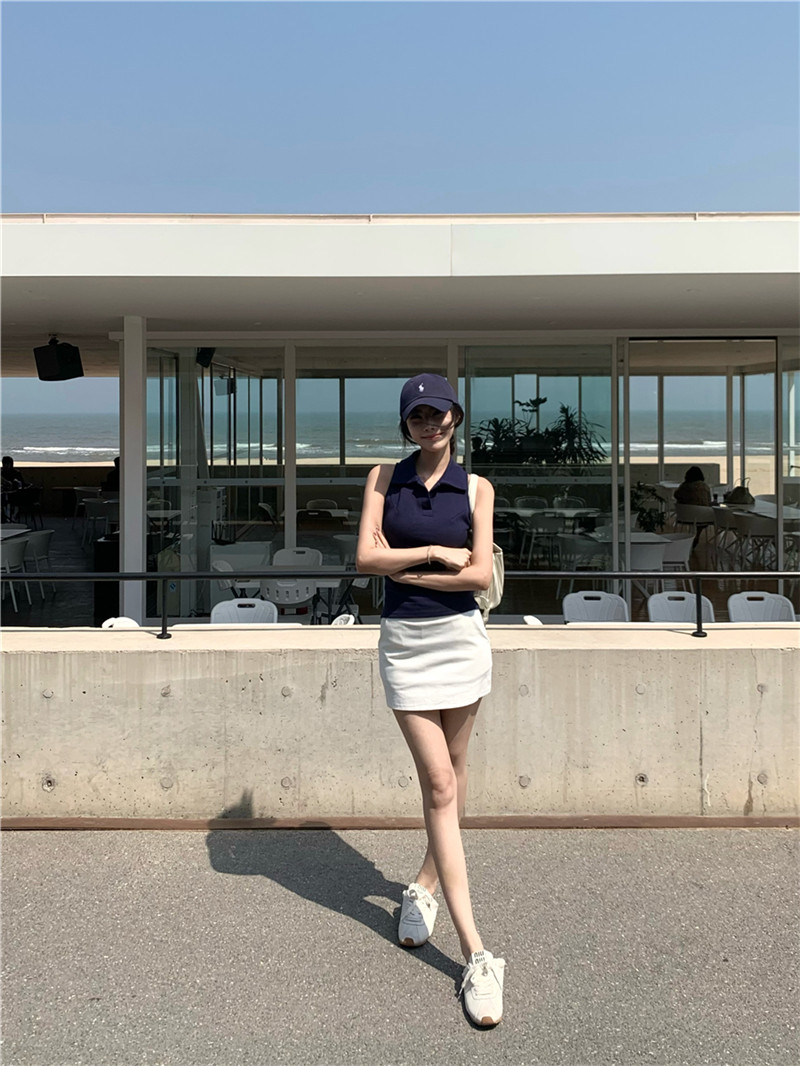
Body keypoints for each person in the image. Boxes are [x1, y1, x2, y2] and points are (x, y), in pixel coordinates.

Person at [356, 373, 506, 1027]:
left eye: (439, 413)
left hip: (461, 643)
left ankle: (423, 884)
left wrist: (408, 566)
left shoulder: (476, 488)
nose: (430, 424)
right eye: (418, 415)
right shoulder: (382, 479)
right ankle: (477, 954)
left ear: (456, 417)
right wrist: (437, 554)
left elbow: (480, 575)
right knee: (440, 782)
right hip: (405, 647)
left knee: (454, 772)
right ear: (406, 424)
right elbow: (365, 560)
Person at [1, 455, 29, 521]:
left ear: (11, 464)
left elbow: (22, 484)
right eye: (4, 464)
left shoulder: (16, 473)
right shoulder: (1, 473)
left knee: (12, 501)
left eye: (7, 463)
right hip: (4, 492)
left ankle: (12, 517)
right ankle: (7, 517)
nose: (6, 465)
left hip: (16, 494)